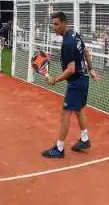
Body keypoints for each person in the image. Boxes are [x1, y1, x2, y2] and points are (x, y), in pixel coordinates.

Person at [42, 12, 100, 159]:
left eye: (56, 24)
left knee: (65, 113)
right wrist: (91, 68)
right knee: (78, 110)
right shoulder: (75, 35)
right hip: (83, 79)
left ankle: (59, 148)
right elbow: (86, 52)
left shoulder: (68, 42)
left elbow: (71, 69)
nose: (53, 27)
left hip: (76, 82)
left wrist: (54, 80)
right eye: (52, 24)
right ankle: (85, 139)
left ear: (64, 23)